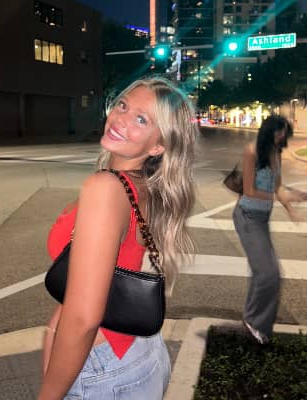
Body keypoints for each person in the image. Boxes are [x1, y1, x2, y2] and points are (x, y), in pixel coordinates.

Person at [38, 76, 198, 400]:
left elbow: (84, 319)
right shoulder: (142, 185)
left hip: (102, 369)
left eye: (141, 119)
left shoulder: (107, 188)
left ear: (157, 146)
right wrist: (54, 329)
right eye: (123, 105)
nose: (121, 119)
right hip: (137, 354)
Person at [233, 115, 307, 345]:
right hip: (247, 217)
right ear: (269, 131)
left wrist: (291, 201)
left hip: (262, 219)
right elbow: (249, 190)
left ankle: (254, 323)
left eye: (285, 134)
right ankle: (254, 323)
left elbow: (278, 187)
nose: (282, 137)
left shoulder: (275, 153)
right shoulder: (251, 151)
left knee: (265, 272)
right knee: (268, 274)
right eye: (279, 132)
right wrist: (282, 196)